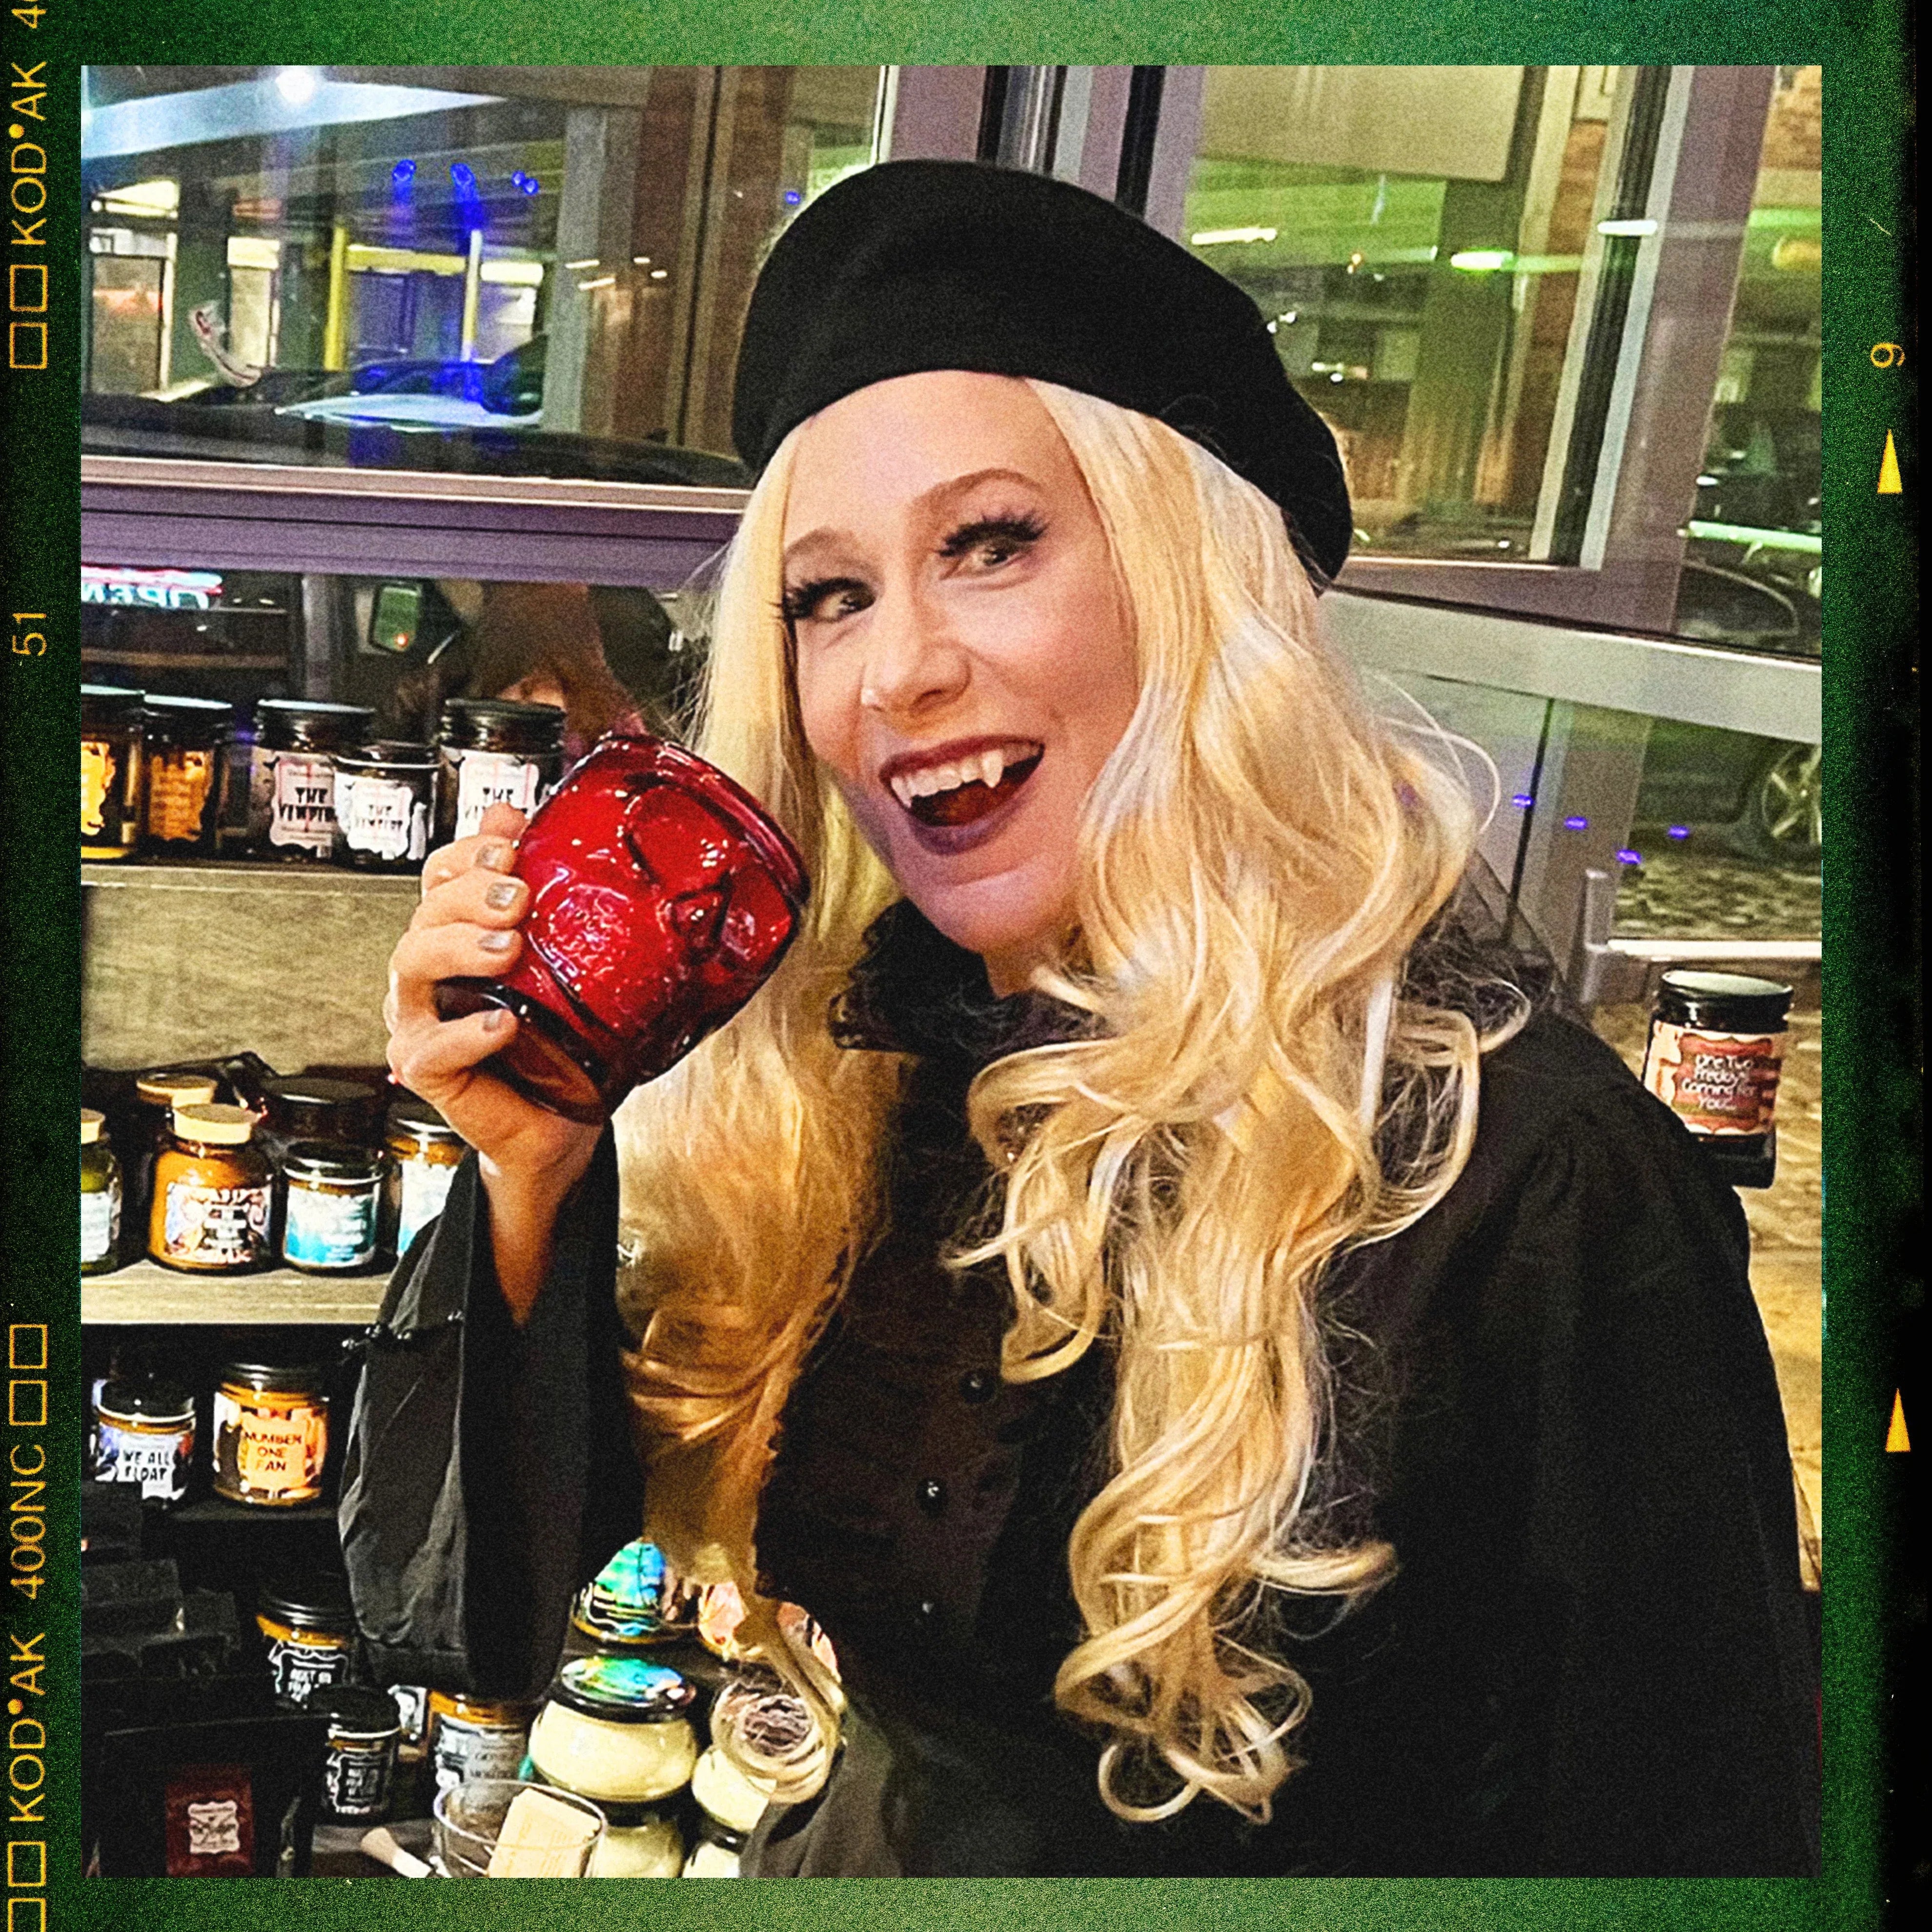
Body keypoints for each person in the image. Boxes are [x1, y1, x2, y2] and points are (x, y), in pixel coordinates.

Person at [343, 161, 1818, 1876]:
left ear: (1198, 595)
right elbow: (486, 1633)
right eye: (831, 597)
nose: (895, 673)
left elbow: (1691, 1827)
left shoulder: (1526, 1178)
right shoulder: (860, 1077)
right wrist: (532, 1168)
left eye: (991, 546)